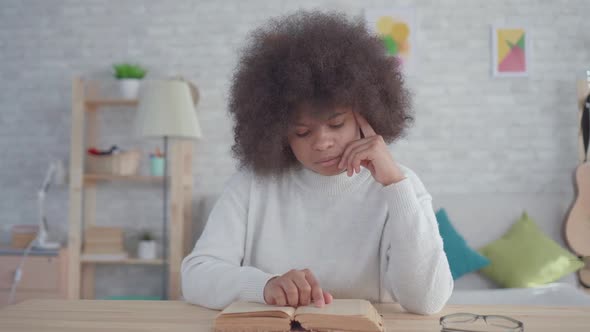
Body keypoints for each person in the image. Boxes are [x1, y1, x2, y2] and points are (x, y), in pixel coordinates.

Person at [181, 10, 453, 315]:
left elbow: (428, 301)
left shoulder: (400, 185)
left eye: (336, 124)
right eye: (302, 132)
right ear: (279, 133)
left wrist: (394, 185)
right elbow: (196, 275)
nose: (322, 142)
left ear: (367, 117)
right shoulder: (252, 184)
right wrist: (264, 286)